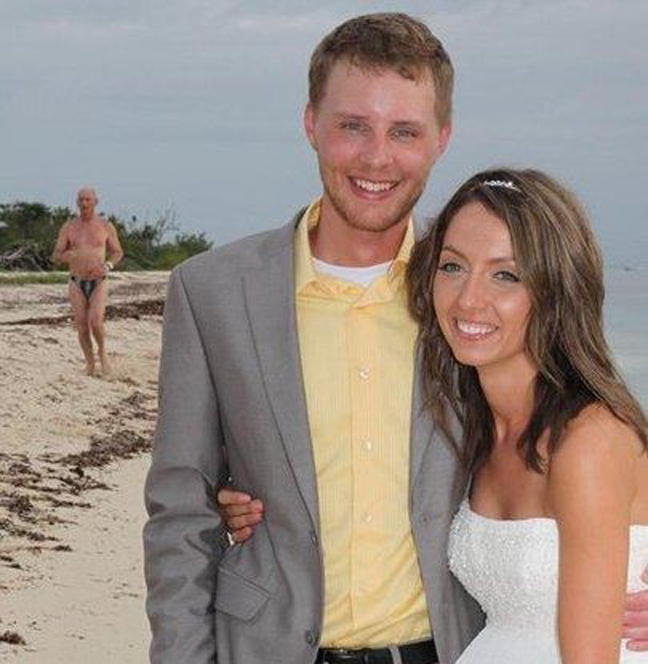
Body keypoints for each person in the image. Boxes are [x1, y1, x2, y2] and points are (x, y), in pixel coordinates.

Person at [144, 13, 648, 664]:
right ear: (311, 124)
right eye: (353, 125)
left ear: (441, 139)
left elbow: (592, 438)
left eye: (404, 131)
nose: (376, 157)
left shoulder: (469, 294)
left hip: (448, 647)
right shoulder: (212, 291)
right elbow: (180, 512)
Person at [407, 167, 648, 663]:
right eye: (452, 266)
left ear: (556, 292)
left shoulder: (588, 440)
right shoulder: (471, 425)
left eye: (506, 275)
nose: (468, 299)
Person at [52, 186, 123, 376]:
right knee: (82, 325)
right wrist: (64, 256)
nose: (84, 203)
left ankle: (102, 353)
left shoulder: (105, 226)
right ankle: (90, 363)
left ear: (95, 202)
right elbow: (55, 255)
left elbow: (117, 252)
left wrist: (107, 265)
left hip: (99, 280)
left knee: (96, 321)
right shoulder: (69, 227)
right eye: (81, 199)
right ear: (77, 202)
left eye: (87, 199)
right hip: (76, 281)